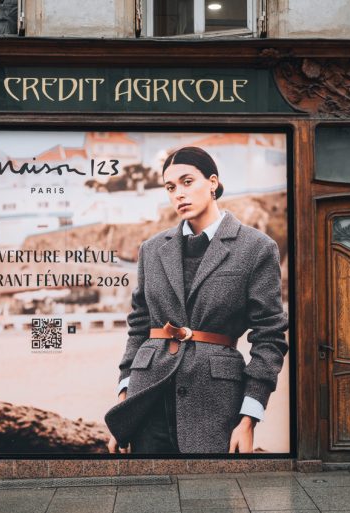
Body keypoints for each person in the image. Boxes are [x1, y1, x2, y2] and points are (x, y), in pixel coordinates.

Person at [104, 146, 288, 454]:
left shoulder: (256, 248)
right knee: (147, 498)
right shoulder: (151, 250)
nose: (178, 194)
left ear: (213, 182)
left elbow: (269, 336)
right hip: (147, 398)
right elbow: (139, 326)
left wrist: (249, 417)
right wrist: (125, 404)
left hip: (215, 402)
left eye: (187, 182)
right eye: (170, 187)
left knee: (212, 499)